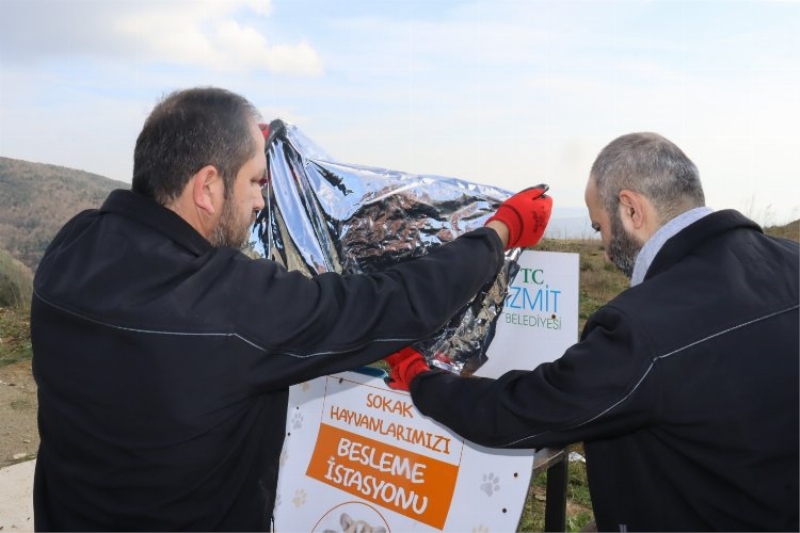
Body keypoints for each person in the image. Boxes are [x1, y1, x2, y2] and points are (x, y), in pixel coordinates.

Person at [29, 86, 553, 531]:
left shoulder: (71, 248)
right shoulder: (227, 305)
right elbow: (385, 304)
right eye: (256, 181)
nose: (261, 201)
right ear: (207, 186)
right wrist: (497, 233)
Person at [385, 132, 799, 531]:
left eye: (599, 227)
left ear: (631, 210)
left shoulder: (644, 327)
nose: (602, 248)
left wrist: (423, 380)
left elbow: (519, 412)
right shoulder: (791, 259)